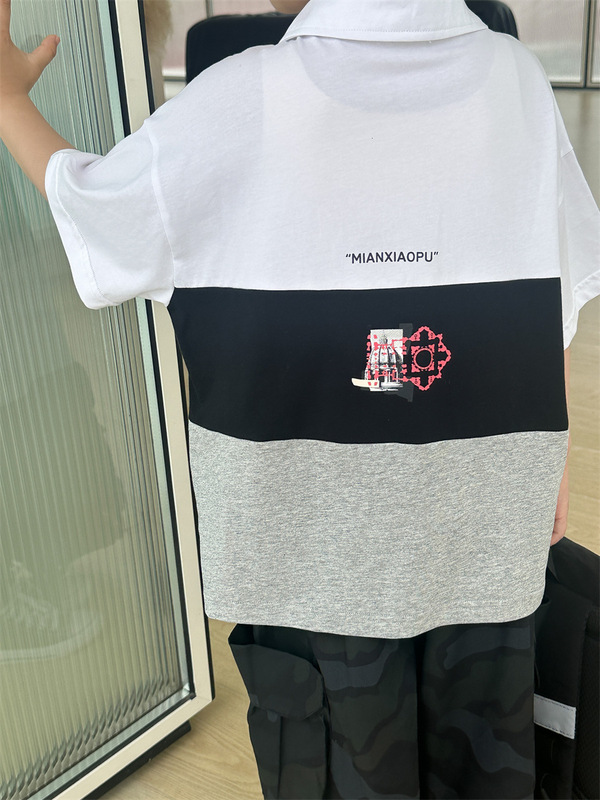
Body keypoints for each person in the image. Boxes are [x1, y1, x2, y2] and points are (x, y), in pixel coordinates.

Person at [1, 0, 598, 797]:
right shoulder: (517, 81)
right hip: (484, 527)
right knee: (486, 755)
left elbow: (93, 207)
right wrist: (552, 458)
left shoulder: (236, 99)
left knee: (343, 764)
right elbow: (553, 289)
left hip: (307, 553)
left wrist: (7, 99)